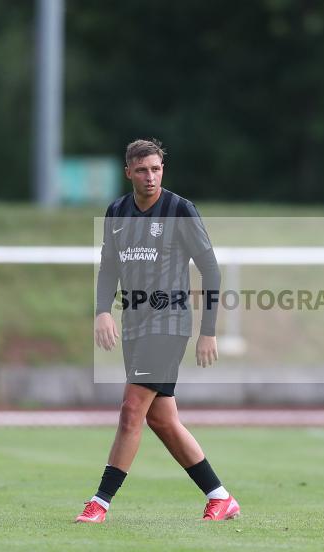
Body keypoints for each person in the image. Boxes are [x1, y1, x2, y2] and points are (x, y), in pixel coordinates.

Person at [76, 138, 239, 523]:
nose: (151, 177)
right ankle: (221, 497)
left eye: (157, 169)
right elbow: (109, 269)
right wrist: (102, 311)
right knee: (161, 419)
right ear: (128, 172)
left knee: (131, 410)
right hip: (135, 325)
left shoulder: (180, 210)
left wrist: (208, 331)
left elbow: (211, 270)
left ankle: (99, 502)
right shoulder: (117, 211)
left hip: (169, 325)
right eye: (143, 170)